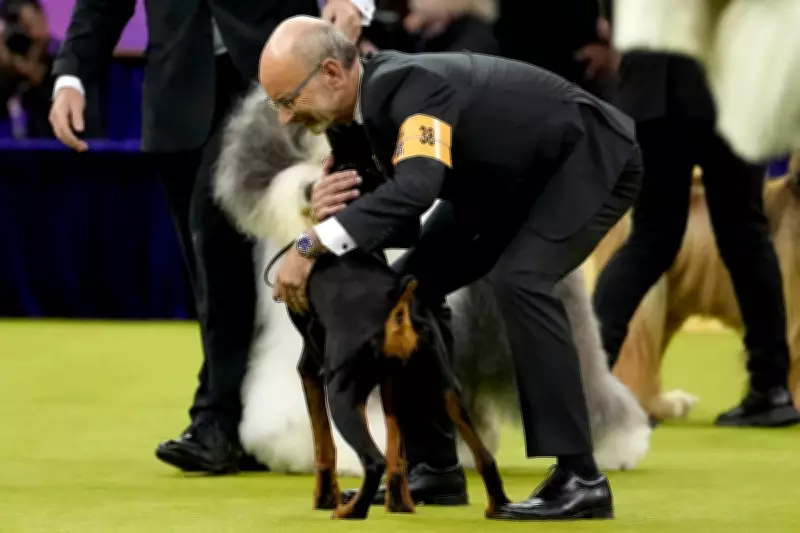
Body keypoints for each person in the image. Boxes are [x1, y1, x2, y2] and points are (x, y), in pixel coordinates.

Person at [263, 16, 642, 520]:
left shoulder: (411, 87)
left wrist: (310, 244)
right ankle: (434, 467)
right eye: (277, 107)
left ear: (332, 71)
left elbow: (417, 188)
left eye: (289, 100)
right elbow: (391, 221)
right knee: (407, 292)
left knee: (520, 280)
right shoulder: (347, 121)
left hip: (589, 158)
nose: (286, 120)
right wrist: (322, 208)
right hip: (499, 186)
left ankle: (581, 477)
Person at [48, 0, 375, 475]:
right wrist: (71, 74)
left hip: (272, 80)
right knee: (206, 268)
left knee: (216, 241)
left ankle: (216, 419)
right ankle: (247, 421)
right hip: (176, 90)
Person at [591, 50, 800, 428]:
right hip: (734, 83)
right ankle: (771, 389)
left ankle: (590, 385)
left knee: (651, 238)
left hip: (655, 83)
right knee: (747, 237)